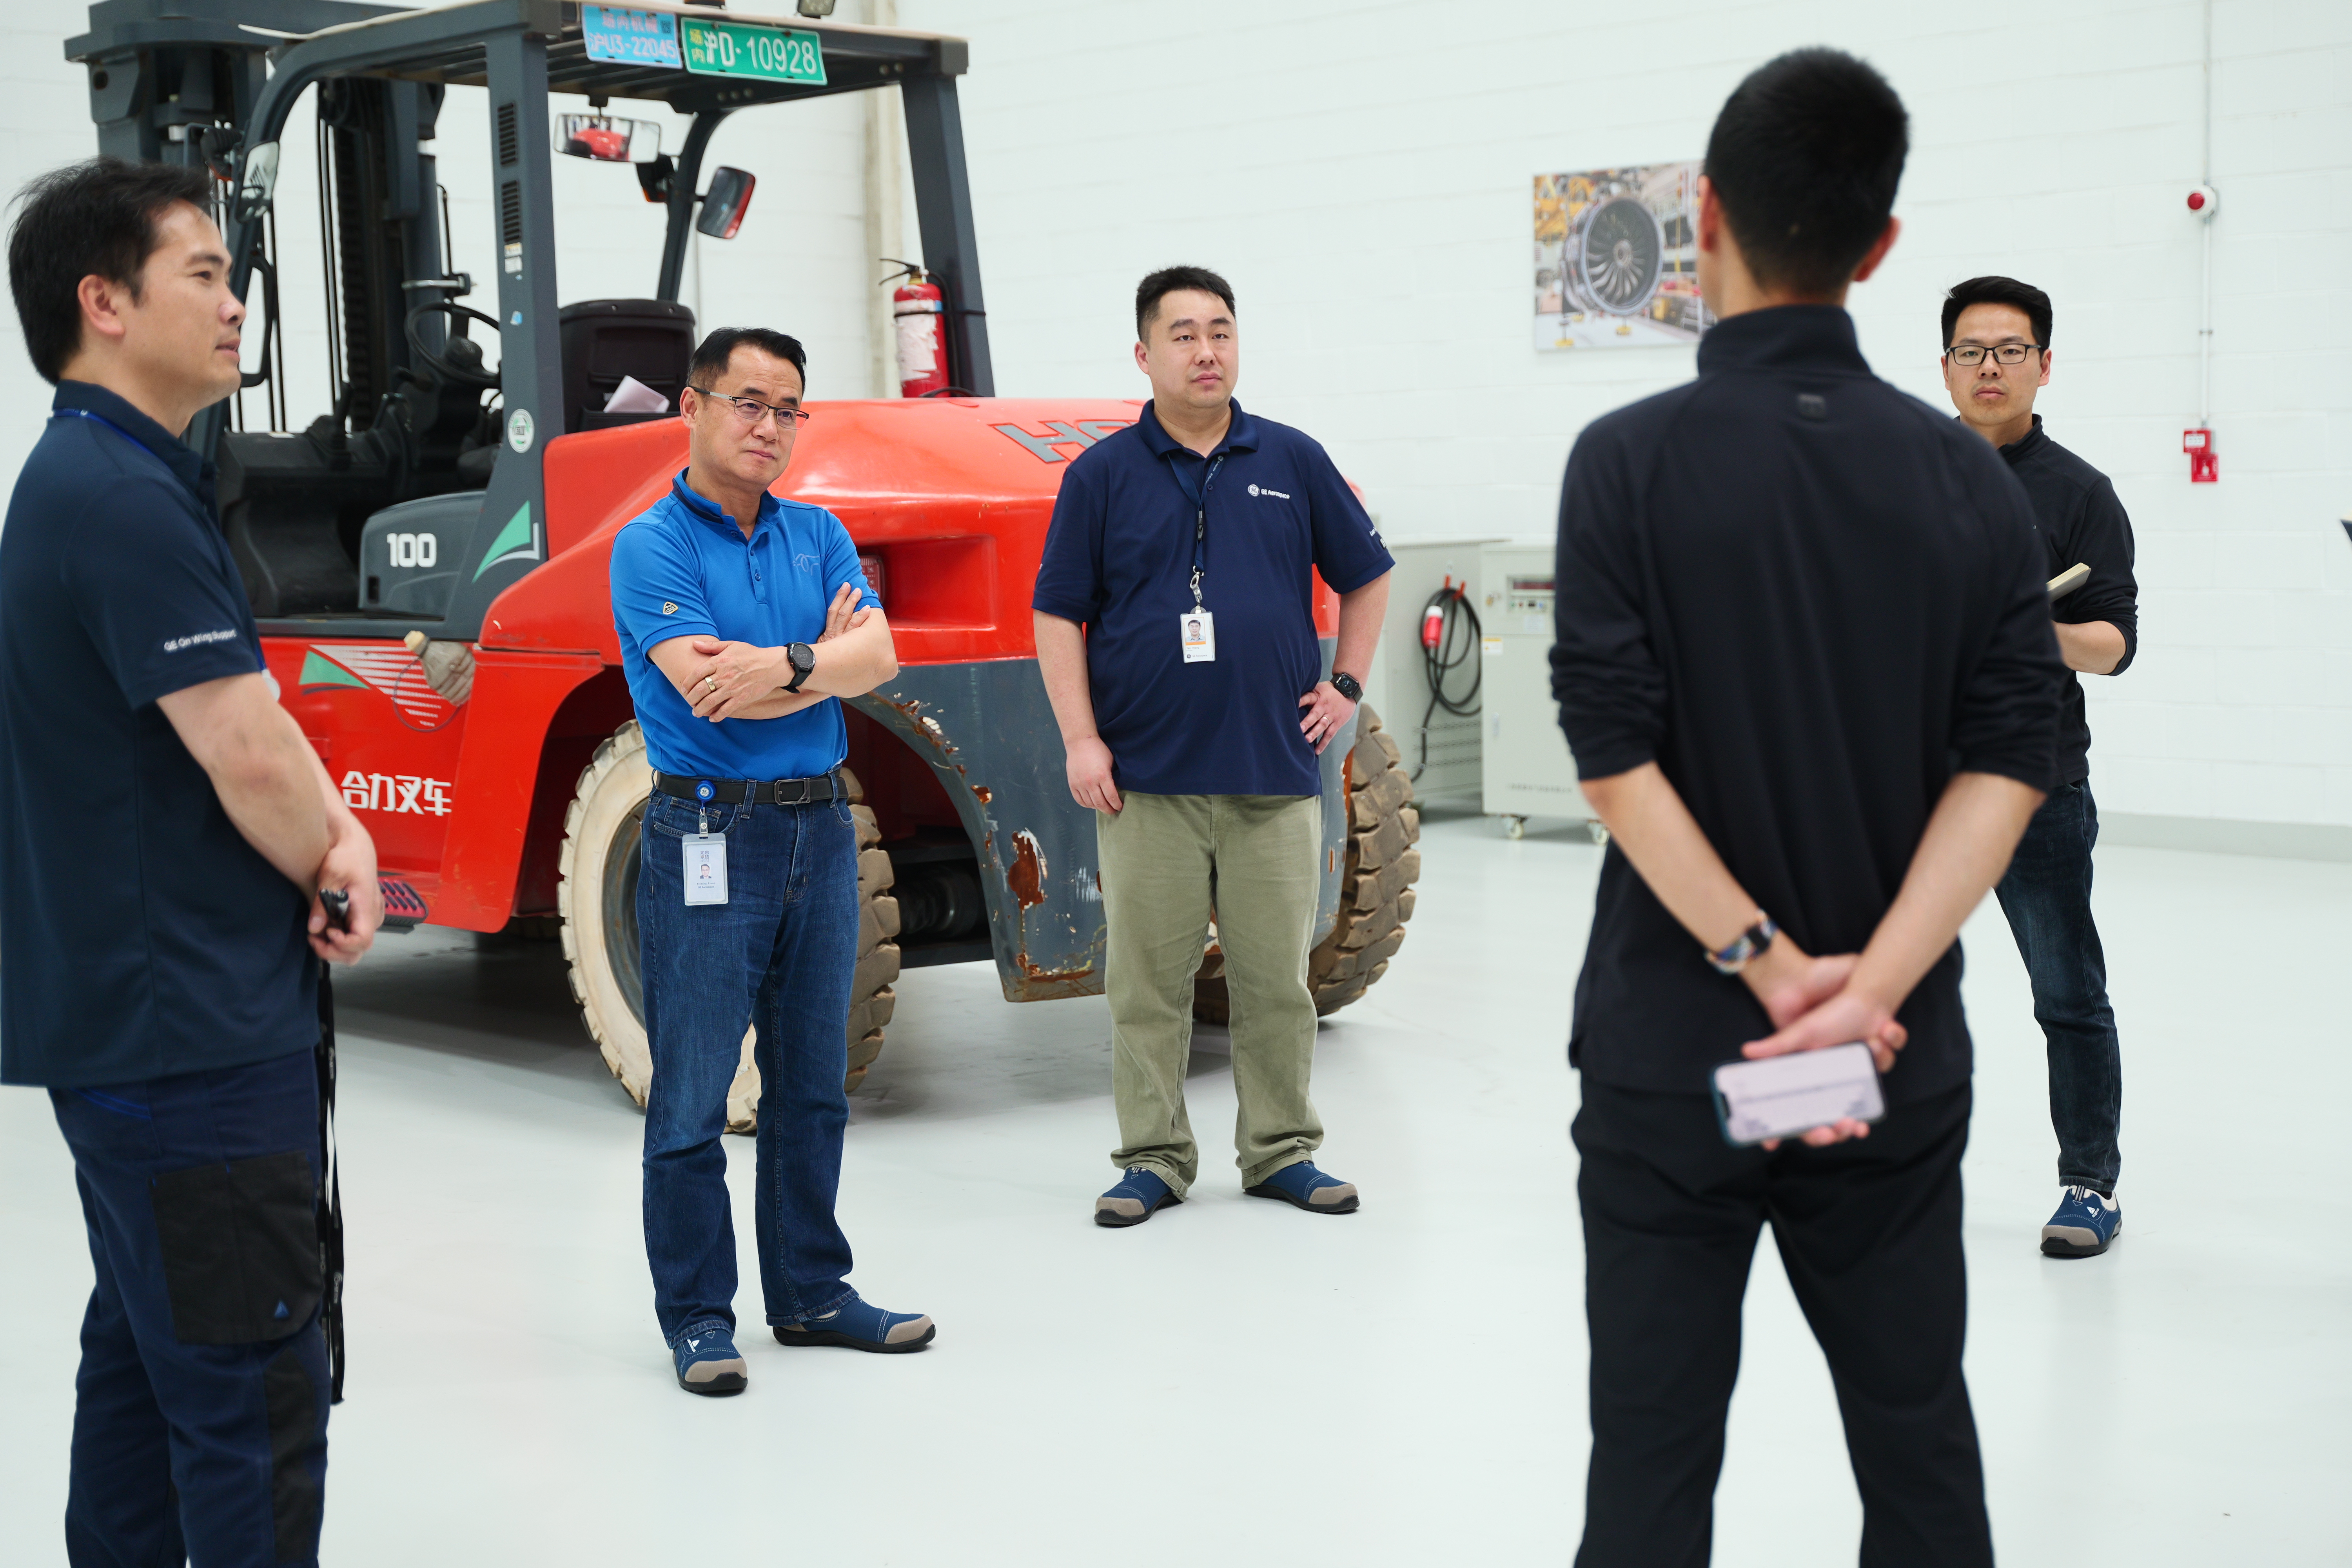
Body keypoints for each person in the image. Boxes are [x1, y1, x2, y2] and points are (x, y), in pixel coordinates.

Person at [1548, 52, 2067, 1566]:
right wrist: (1866, 993)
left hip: (1675, 1055)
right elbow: (2013, 757)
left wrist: (1771, 971)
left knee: (1649, 1461)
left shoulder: (1625, 465)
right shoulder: (1970, 486)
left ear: (1701, 216)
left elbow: (1611, 758)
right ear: (1883, 250)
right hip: (1883, 1071)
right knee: (1918, 1445)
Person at [2, 157, 381, 1567]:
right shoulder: (116, 498)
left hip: (141, 1033)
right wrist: (339, 849)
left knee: (147, 1373)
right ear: (104, 304)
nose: (236, 304)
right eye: (205, 275)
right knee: (249, 1401)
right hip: (194, 1045)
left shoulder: (106, 477)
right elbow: (244, 745)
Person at [1032, 265, 1394, 1227]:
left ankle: (1281, 1151)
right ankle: (1152, 1157)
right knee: (1146, 986)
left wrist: (1346, 687)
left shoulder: (1293, 457)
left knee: (1277, 981)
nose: (1207, 350)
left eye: (1222, 331)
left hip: (1272, 773)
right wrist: (1081, 738)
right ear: (1145, 354)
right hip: (1145, 780)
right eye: (1184, 334)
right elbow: (1057, 614)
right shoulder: (1101, 474)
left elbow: (1368, 576)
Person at [608, 326, 933, 1396]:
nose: (770, 426)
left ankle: (811, 1293)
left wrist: (783, 664)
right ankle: (701, 1318)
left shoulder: (820, 534)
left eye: (789, 409)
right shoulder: (652, 545)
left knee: (813, 1085)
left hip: (819, 828)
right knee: (695, 1092)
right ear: (694, 409)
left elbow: (879, 657)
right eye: (749, 402)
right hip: (708, 834)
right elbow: (707, 686)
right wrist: (821, 666)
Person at [1939, 274, 2138, 1258]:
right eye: (1972, 350)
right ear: (1945, 368)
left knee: (2066, 990)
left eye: (2009, 349)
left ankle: (2088, 1184)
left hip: (2034, 784)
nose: (1989, 366)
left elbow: (2114, 643)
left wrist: (2034, 624)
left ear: (2042, 364)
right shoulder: (1901, 479)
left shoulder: (2079, 492)